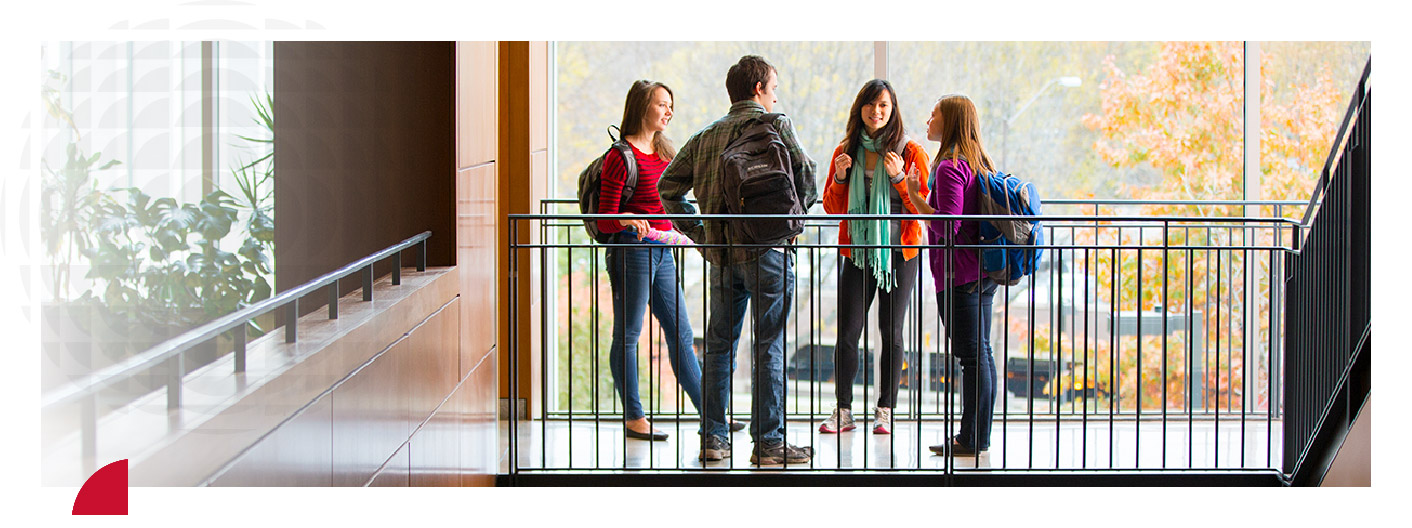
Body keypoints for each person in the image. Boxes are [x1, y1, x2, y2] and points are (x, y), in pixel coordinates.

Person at [658, 55, 818, 465]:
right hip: (767, 253)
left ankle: (713, 439)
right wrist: (788, 225)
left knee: (719, 345)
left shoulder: (706, 137)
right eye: (773, 88)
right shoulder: (775, 126)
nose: (775, 95)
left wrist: (700, 233)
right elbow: (808, 182)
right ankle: (768, 444)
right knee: (769, 345)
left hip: (722, 257)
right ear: (757, 89)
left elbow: (667, 188)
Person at [819, 79, 930, 435]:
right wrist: (839, 176)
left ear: (893, 108)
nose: (876, 112)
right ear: (860, 108)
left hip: (899, 253)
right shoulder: (846, 149)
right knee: (848, 332)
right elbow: (832, 207)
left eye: (883, 105)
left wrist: (899, 177)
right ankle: (843, 410)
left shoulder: (911, 151)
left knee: (891, 331)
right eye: (870, 105)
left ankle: (886, 409)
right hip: (857, 252)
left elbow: (924, 208)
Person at [597, 80, 705, 441]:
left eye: (671, 105)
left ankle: (711, 413)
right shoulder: (620, 156)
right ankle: (634, 416)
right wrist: (627, 219)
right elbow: (603, 219)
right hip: (632, 250)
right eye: (662, 104)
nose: (669, 111)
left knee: (681, 333)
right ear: (642, 107)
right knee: (629, 334)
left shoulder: (665, 151)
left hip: (663, 251)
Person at [903, 94, 998, 456]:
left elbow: (948, 225)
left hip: (960, 273)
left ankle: (968, 439)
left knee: (971, 357)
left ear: (950, 122)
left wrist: (914, 195)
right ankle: (978, 436)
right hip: (982, 271)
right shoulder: (977, 161)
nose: (928, 122)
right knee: (981, 354)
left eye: (934, 115)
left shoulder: (948, 166)